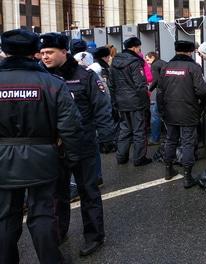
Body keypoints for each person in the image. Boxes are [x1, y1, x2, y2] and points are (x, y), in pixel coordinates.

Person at [0, 29, 83, 264]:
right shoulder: (52, 83)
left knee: (5, 217)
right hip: (43, 157)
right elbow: (71, 125)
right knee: (43, 215)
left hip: (2, 159)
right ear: (35, 52)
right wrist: (72, 157)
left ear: (5, 51)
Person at [40, 32, 115, 256]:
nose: (45, 57)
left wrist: (106, 137)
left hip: (83, 145)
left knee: (88, 191)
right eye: (42, 53)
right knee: (57, 193)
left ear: (64, 52)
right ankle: (59, 231)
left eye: (50, 52)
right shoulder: (42, 77)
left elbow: (101, 107)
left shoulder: (85, 76)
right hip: (54, 147)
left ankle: (94, 236)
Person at [157, 40, 206, 186]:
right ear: (190, 51)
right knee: (187, 142)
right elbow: (202, 90)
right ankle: (187, 177)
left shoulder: (166, 67)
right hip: (188, 111)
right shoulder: (193, 67)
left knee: (171, 140)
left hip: (169, 111)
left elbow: (160, 91)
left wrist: (161, 109)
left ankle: (168, 170)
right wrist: (205, 104)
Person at [109, 37, 152, 166]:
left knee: (125, 130)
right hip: (135, 102)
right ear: (134, 47)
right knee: (139, 131)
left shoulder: (115, 61)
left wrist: (115, 101)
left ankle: (121, 157)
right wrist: (145, 103)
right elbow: (140, 85)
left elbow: (111, 85)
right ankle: (139, 158)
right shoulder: (134, 62)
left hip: (121, 102)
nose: (140, 51)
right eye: (139, 48)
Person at [145, 51, 167, 145]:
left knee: (155, 115)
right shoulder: (164, 63)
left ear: (153, 57)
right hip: (170, 92)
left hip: (161, 93)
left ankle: (155, 138)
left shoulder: (154, 65)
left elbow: (156, 80)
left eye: (148, 59)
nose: (147, 62)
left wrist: (149, 89)